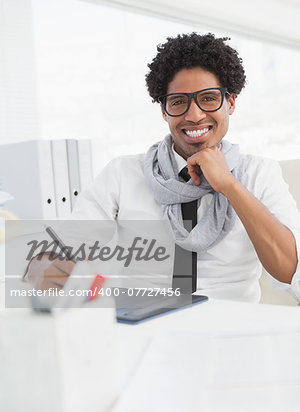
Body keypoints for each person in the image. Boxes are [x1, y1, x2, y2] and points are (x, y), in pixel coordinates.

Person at [28, 32, 300, 303]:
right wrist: (48, 268)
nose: (194, 115)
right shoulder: (123, 174)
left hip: (232, 329)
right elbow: (60, 247)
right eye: (179, 102)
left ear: (230, 102)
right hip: (144, 327)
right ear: (164, 110)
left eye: (208, 98)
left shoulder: (260, 173)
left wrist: (229, 185)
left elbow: (290, 272)